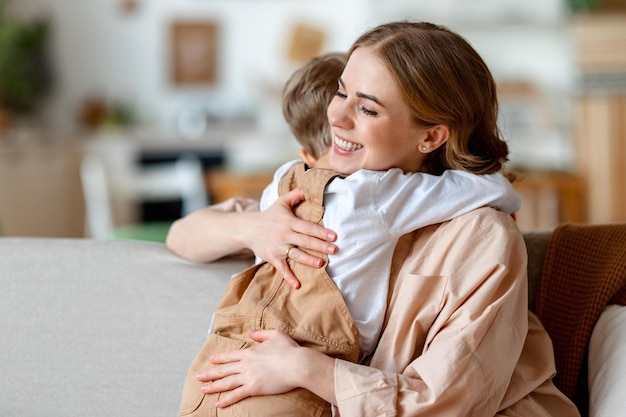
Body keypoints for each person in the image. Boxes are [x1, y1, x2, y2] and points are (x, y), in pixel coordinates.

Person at [171, 21, 580, 417]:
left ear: (432, 136)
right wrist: (254, 229)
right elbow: (182, 235)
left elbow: (450, 402)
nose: (337, 118)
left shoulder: (483, 238)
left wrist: (302, 368)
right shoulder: (321, 193)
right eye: (340, 93)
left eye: (367, 108)